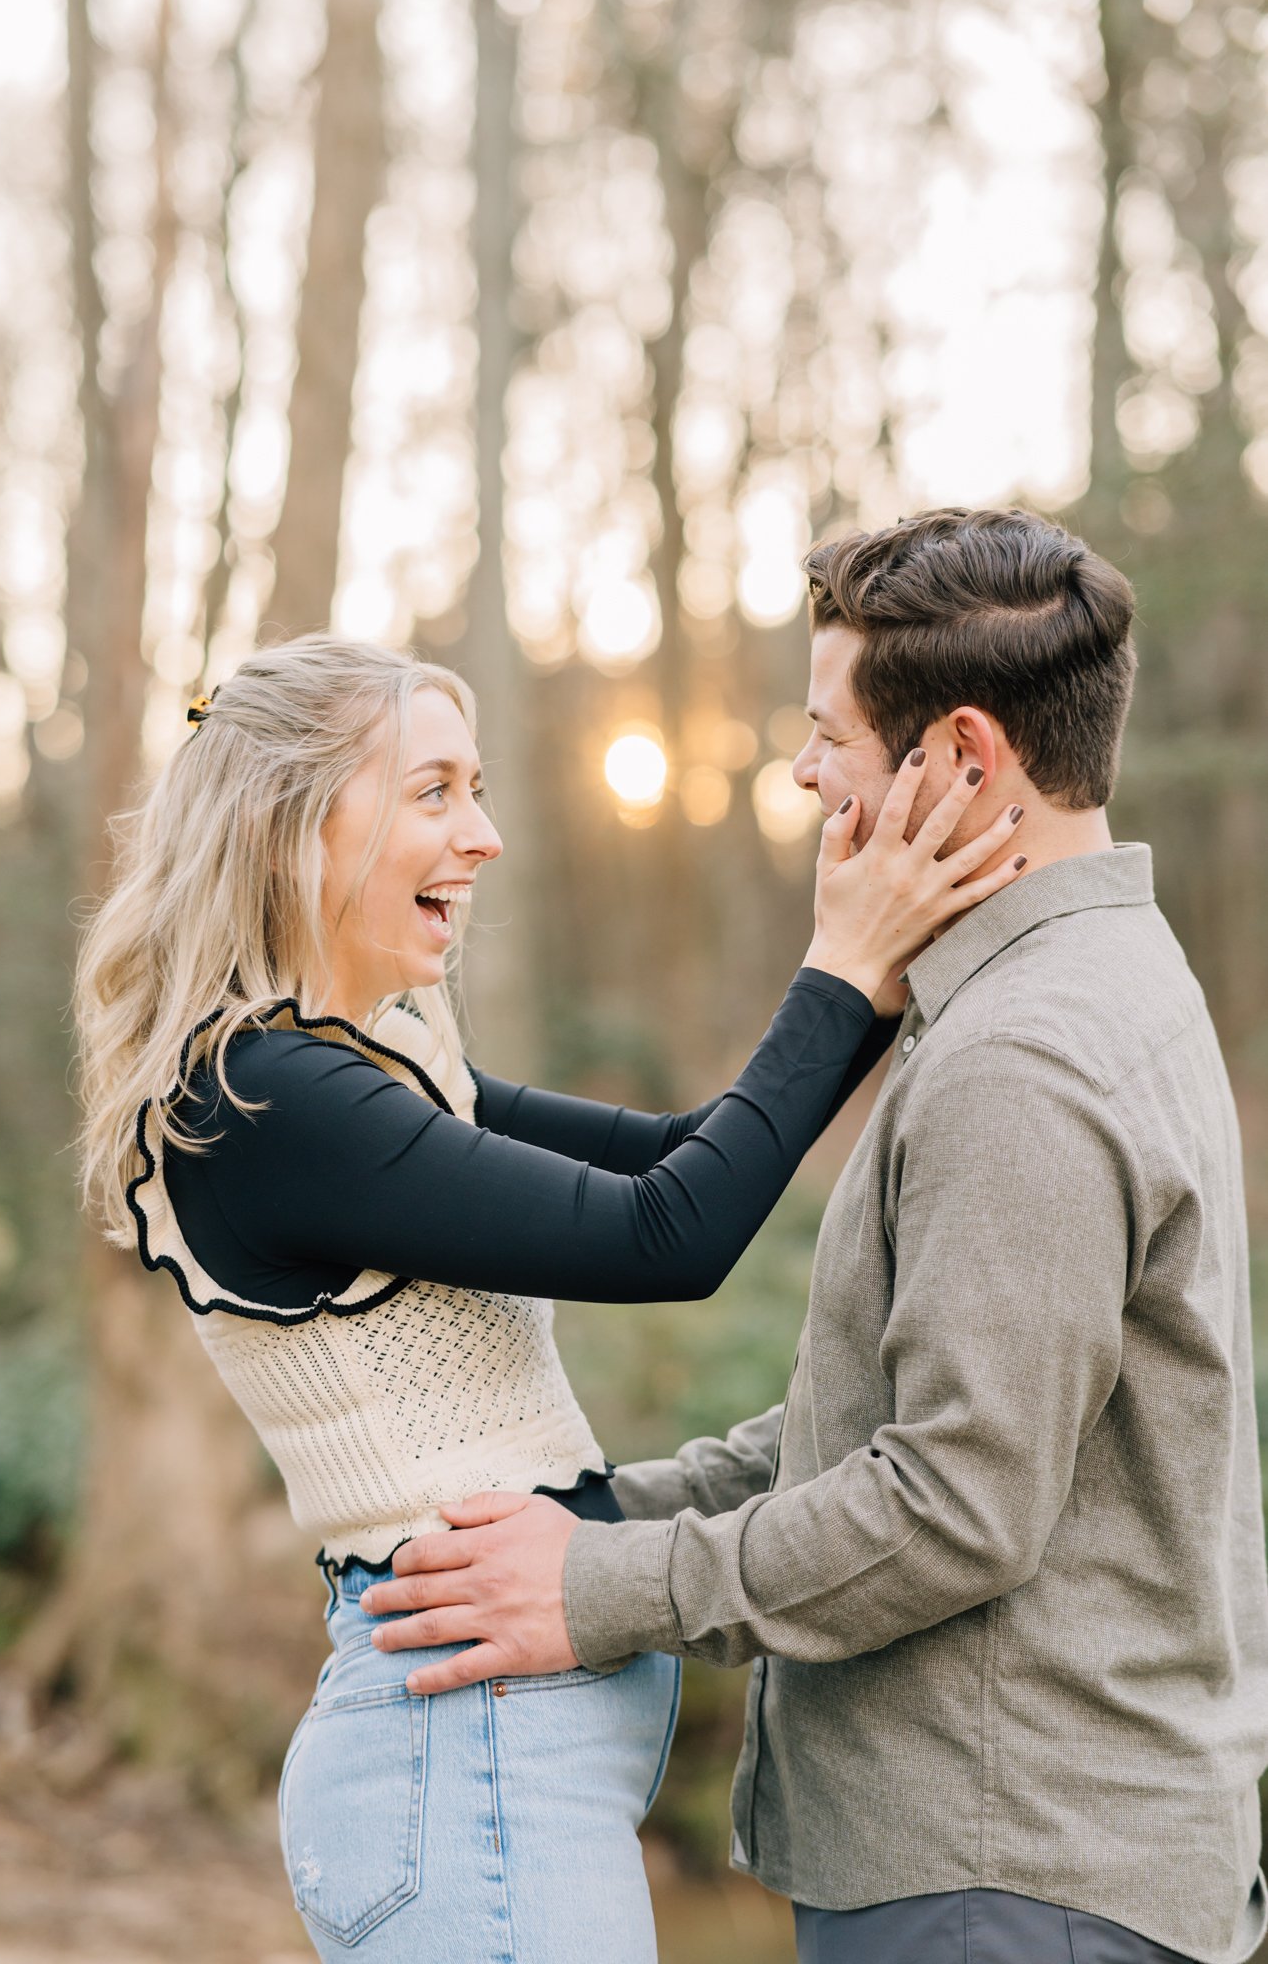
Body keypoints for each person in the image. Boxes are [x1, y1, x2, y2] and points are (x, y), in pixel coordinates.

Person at [365, 508, 1268, 1964]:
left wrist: (596, 1593)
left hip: (1001, 1885)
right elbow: (896, 1414)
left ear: (962, 759)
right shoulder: (1099, 979)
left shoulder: (1022, 1059)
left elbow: (951, 1505)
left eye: (827, 735)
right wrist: (594, 1515)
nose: (800, 773)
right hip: (1031, 1870)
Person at [72, 633, 1026, 1964]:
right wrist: (839, 962)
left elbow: (682, 1153)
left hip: (496, 1765)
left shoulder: (379, 1065)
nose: (487, 836)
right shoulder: (265, 1100)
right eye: (434, 791)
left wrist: (884, 943)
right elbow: (665, 1238)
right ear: (292, 823)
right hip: (465, 1761)